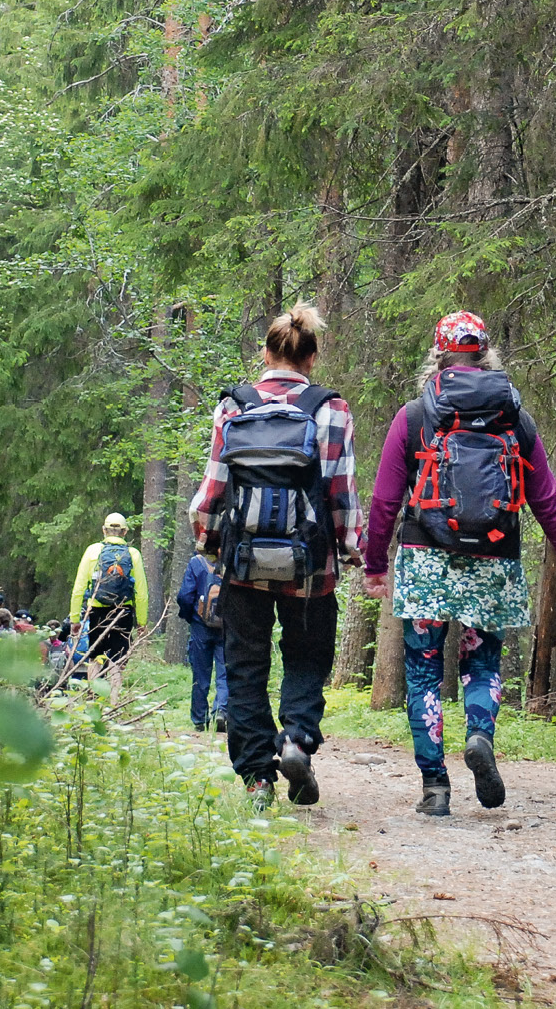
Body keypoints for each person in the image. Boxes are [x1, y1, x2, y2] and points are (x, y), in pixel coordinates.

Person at [363, 311, 556, 816]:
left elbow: (384, 501)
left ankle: (435, 788)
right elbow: (547, 500)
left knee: (422, 672)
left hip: (426, 559)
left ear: (438, 355)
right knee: (483, 664)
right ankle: (480, 735)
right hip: (493, 557)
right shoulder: (515, 418)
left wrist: (375, 562)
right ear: (487, 353)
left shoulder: (415, 416)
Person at [188, 303, 363, 809]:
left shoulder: (234, 405)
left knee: (245, 667)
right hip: (310, 567)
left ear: (265, 353)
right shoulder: (331, 408)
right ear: (312, 358)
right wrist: (350, 549)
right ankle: (296, 740)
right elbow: (341, 490)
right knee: (307, 657)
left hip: (243, 564)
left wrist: (210, 542)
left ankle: (257, 778)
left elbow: (213, 488)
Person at [68, 512, 150, 698]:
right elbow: (142, 593)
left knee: (96, 656)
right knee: (118, 658)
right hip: (123, 612)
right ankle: (113, 703)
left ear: (104, 530)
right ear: (124, 532)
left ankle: (93, 700)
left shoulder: (92, 551)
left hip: (97, 610)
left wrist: (75, 619)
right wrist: (142, 622)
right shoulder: (133, 554)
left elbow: (79, 588)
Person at [176, 551, 230, 732]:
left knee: (200, 673)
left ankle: (199, 718)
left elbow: (184, 596)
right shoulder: (232, 559)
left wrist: (190, 616)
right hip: (227, 625)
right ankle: (221, 711)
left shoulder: (196, 562)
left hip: (201, 625)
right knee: (225, 671)